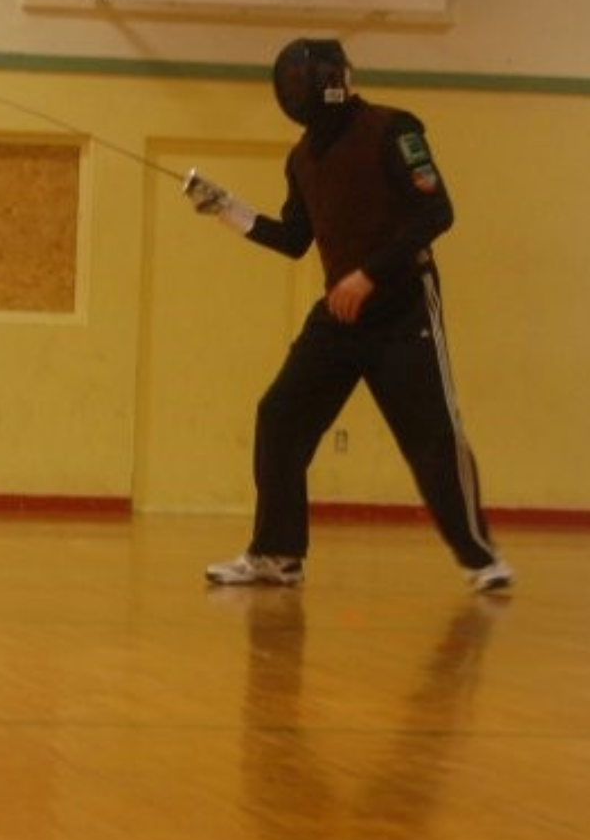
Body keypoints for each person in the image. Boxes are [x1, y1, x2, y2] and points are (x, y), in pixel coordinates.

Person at [184, 39, 514, 593]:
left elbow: (437, 211)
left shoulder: (394, 130)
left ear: (330, 80)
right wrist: (228, 212)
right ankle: (277, 554)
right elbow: (294, 239)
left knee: (432, 435)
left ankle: (481, 558)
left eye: (303, 80)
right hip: (341, 312)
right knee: (281, 414)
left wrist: (370, 274)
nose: (297, 90)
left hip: (405, 304)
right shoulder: (301, 158)